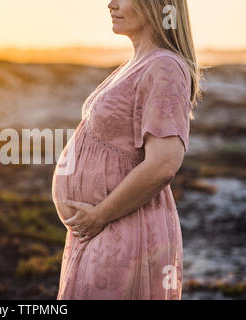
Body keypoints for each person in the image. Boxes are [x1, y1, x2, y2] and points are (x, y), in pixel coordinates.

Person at [52, 0, 202, 299]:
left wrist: (100, 215)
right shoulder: (138, 63)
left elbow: (164, 164)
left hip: (124, 230)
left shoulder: (165, 66)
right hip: (101, 231)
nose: (110, 4)